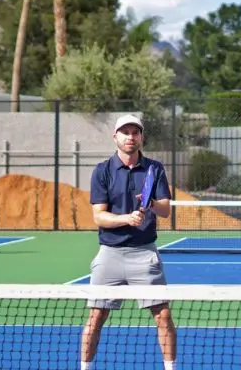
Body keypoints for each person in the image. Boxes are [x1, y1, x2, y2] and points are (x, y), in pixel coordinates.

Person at [80, 114, 177, 370]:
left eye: (135, 132)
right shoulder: (102, 171)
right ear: (115, 137)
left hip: (144, 255)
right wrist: (127, 218)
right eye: (125, 132)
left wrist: (150, 203)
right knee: (96, 316)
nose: (130, 137)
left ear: (141, 137)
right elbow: (99, 216)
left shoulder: (154, 169)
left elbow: (166, 210)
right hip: (109, 254)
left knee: (163, 316)